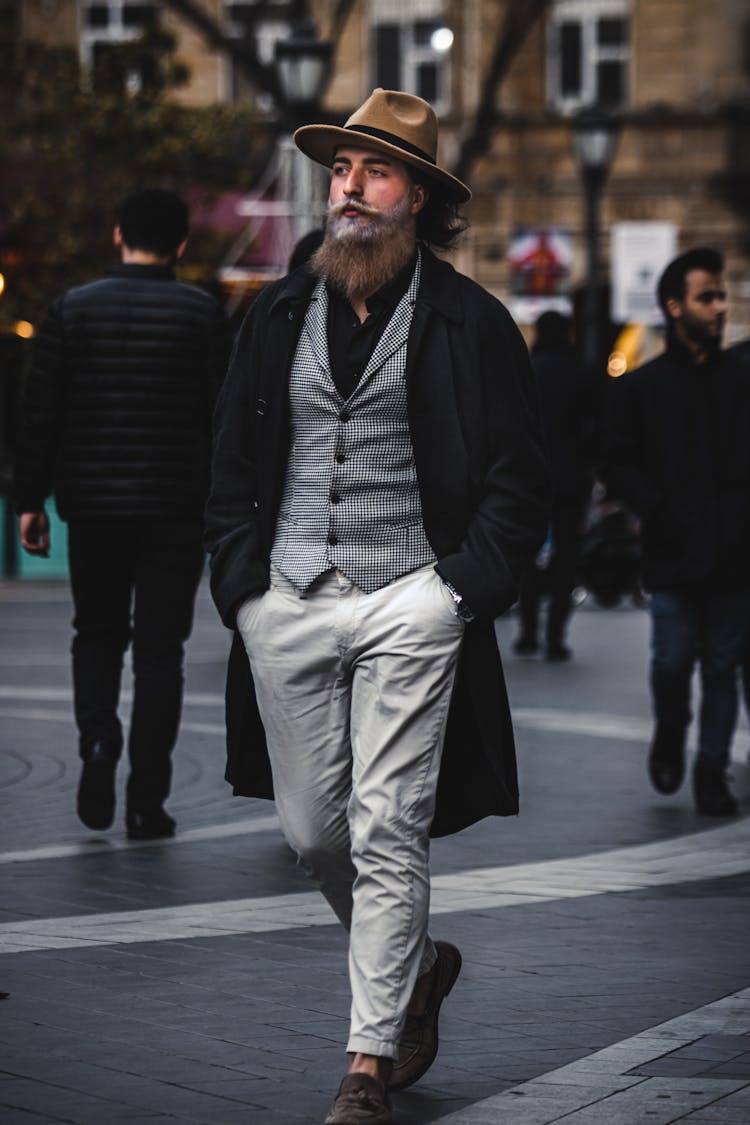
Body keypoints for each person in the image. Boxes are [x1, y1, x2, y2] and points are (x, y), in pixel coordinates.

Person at [204, 88, 549, 1125]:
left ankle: (366, 1063)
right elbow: (227, 460)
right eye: (342, 168)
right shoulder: (270, 314)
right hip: (291, 601)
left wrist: (456, 594)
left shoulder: (470, 323)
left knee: (388, 827)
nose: (349, 186)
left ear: (419, 199)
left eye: (377, 170)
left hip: (412, 598)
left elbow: (519, 480)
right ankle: (418, 967)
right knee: (317, 835)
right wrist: (243, 593)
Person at [13, 188, 228, 840]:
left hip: (96, 505)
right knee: (163, 650)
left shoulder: (71, 309)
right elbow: (222, 418)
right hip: (176, 507)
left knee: (98, 634)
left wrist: (29, 499)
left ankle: (98, 743)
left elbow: (39, 411)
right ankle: (146, 799)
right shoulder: (202, 314)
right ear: (183, 244)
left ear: (116, 234)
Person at [602, 247, 750, 817]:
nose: (719, 306)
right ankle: (670, 730)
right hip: (672, 554)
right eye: (706, 296)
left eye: (720, 295)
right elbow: (615, 460)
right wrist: (657, 506)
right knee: (671, 662)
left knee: (721, 667)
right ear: (674, 306)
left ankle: (710, 769)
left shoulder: (741, 379)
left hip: (736, 556)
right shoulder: (643, 387)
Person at [514, 311, 598, 660]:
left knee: (527, 557)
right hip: (569, 481)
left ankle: (528, 633)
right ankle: (555, 638)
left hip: (526, 481)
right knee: (566, 560)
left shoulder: (523, 372)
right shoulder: (582, 373)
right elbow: (593, 432)